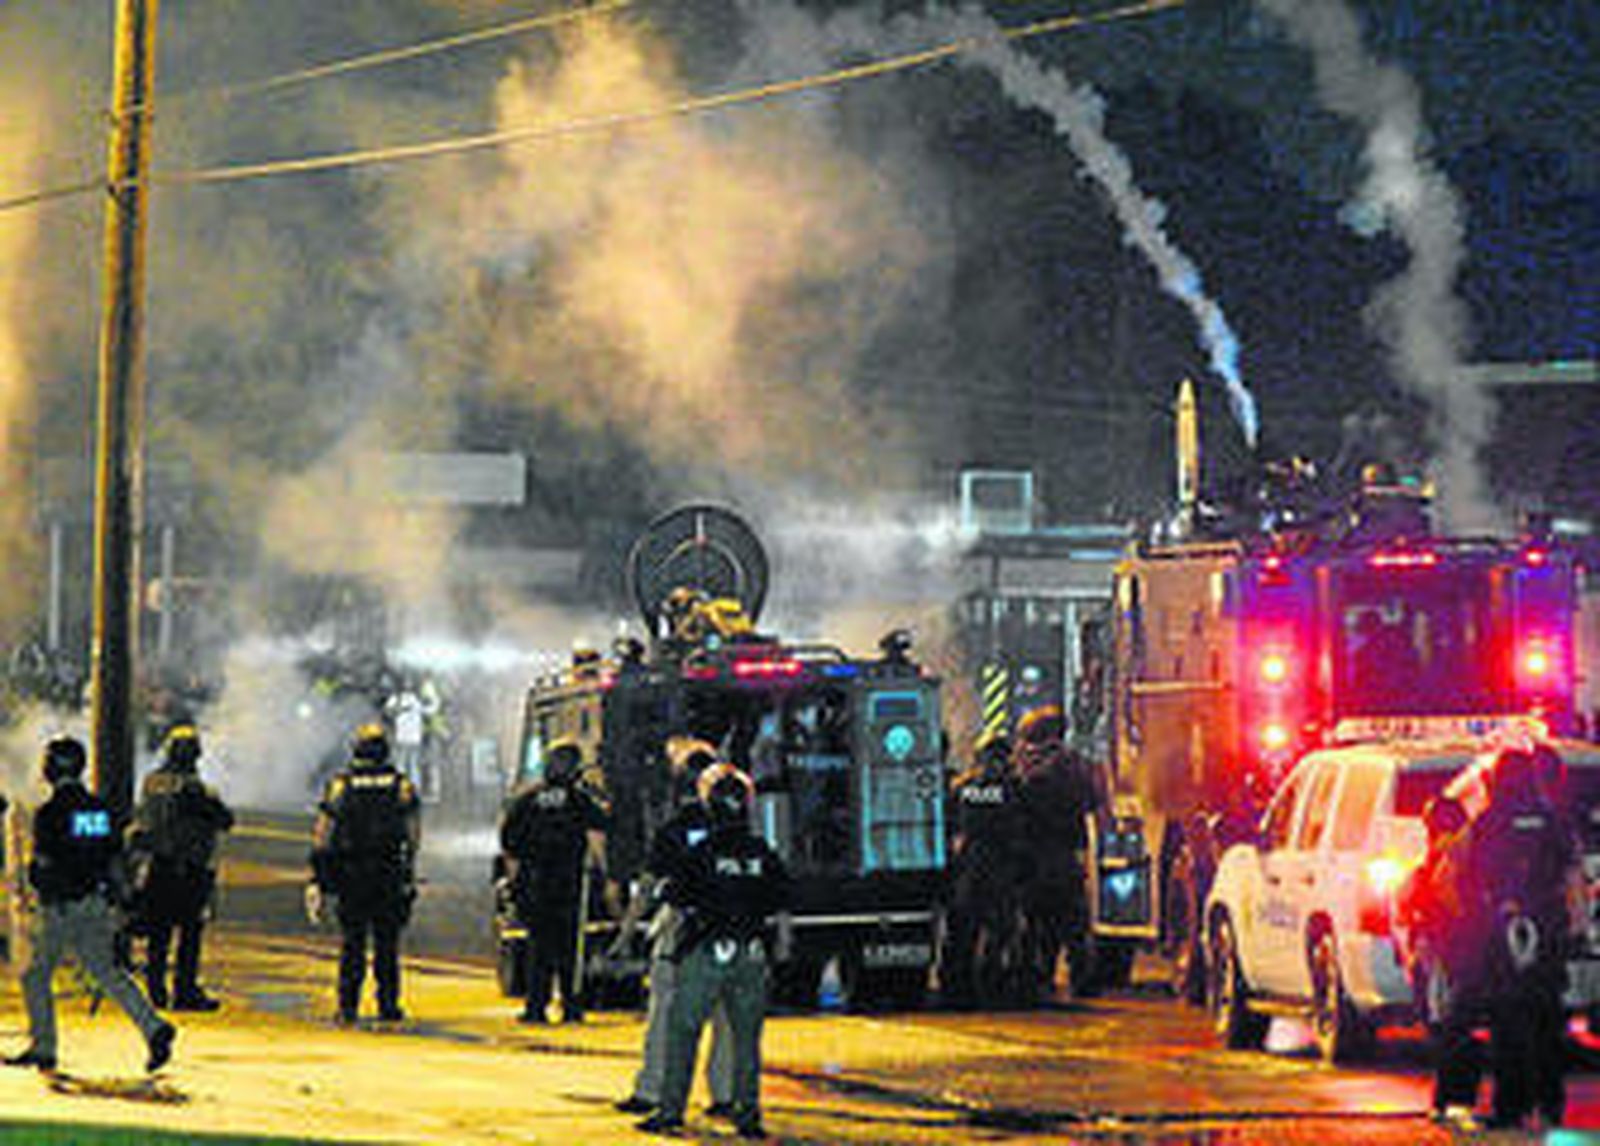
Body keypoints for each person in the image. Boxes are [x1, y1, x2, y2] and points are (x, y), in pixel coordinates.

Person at [5, 736, 175, 1073]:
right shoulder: (98, 810)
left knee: (35, 975)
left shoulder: (49, 813)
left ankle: (44, 1046)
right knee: (107, 972)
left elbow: (44, 865)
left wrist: (35, 890)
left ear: (50, 769)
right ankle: (153, 1026)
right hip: (95, 902)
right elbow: (111, 855)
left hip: (60, 908)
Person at [638, 763, 790, 1139]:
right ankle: (747, 1114)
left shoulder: (702, 852)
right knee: (745, 1041)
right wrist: (781, 947)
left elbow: (674, 898)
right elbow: (782, 904)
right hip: (751, 954)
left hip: (706, 952)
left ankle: (671, 1111)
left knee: (683, 1031)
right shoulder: (762, 852)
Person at [1457, 745, 1580, 1130]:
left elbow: (1468, 877)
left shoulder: (1488, 822)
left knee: (1507, 1023)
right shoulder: (1552, 820)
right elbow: (1571, 875)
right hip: (1546, 930)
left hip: (1500, 932)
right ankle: (1549, 1104)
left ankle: (1511, 1106)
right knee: (1546, 1022)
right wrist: (1571, 926)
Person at [615, 737, 734, 1118]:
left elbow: (649, 884)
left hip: (680, 928)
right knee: (725, 1020)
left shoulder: (674, 828)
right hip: (729, 930)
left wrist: (625, 932)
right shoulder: (744, 829)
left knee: (666, 1014)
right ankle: (725, 1096)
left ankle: (653, 1091)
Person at [309, 723, 421, 1024]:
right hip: (388, 873)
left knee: (352, 944)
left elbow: (323, 833)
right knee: (387, 946)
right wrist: (409, 869)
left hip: (351, 874)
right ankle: (388, 1006)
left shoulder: (341, 785)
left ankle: (347, 1007)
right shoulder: (401, 785)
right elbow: (413, 835)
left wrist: (318, 876)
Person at [498, 738, 609, 1024]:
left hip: (536, 882)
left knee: (539, 948)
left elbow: (509, 840)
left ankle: (537, 1006)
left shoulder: (528, 798)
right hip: (568, 882)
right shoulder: (578, 799)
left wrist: (518, 873)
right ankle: (571, 1006)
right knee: (569, 948)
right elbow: (603, 823)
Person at [127, 723, 235, 1011]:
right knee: (189, 933)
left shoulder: (151, 782)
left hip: (156, 867)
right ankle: (184, 991)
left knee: (159, 932)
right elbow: (225, 819)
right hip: (188, 869)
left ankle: (155, 990)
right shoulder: (195, 789)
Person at [1396, 793, 1479, 1127]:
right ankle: (1456, 1098)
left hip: (1440, 949)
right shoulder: (1458, 852)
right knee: (1456, 1025)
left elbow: (1409, 900)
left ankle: (1449, 1099)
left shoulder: (1442, 856)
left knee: (1447, 1027)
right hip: (1451, 948)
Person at [1012, 706, 1097, 1000]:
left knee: (1035, 925)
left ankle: (1037, 980)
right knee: (1072, 925)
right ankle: (1081, 981)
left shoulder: (1023, 766)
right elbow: (1092, 801)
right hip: (1066, 856)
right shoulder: (1076, 765)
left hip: (1032, 858)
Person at [940, 729, 1023, 1007]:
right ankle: (995, 986)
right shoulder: (1014, 788)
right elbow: (1025, 827)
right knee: (1000, 933)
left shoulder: (962, 787)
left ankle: (956, 988)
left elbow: (948, 825)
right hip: (1002, 869)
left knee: (962, 933)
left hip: (968, 867)